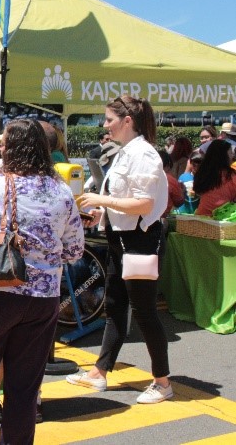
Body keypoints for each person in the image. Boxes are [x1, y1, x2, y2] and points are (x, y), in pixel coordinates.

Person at [0, 118, 84, 445]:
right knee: (24, 388)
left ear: (16, 148)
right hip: (43, 299)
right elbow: (76, 249)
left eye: (5, 143)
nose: (0, 148)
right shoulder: (62, 191)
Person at [67, 95, 172, 405]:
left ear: (128, 121)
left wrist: (104, 203)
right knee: (114, 305)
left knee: (144, 311)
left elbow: (144, 204)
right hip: (122, 239)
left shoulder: (143, 154)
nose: (105, 125)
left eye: (109, 119)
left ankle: (163, 381)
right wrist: (104, 213)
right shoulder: (129, 152)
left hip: (140, 242)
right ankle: (100, 372)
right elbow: (129, 203)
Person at [193, 139, 236, 217]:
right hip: (222, 218)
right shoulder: (231, 175)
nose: (232, 156)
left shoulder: (202, 171)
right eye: (230, 153)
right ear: (223, 156)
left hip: (201, 215)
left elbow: (198, 191)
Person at [158, 150, 184, 217]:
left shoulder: (143, 176)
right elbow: (178, 202)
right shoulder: (170, 180)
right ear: (167, 165)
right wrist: (182, 191)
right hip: (162, 218)